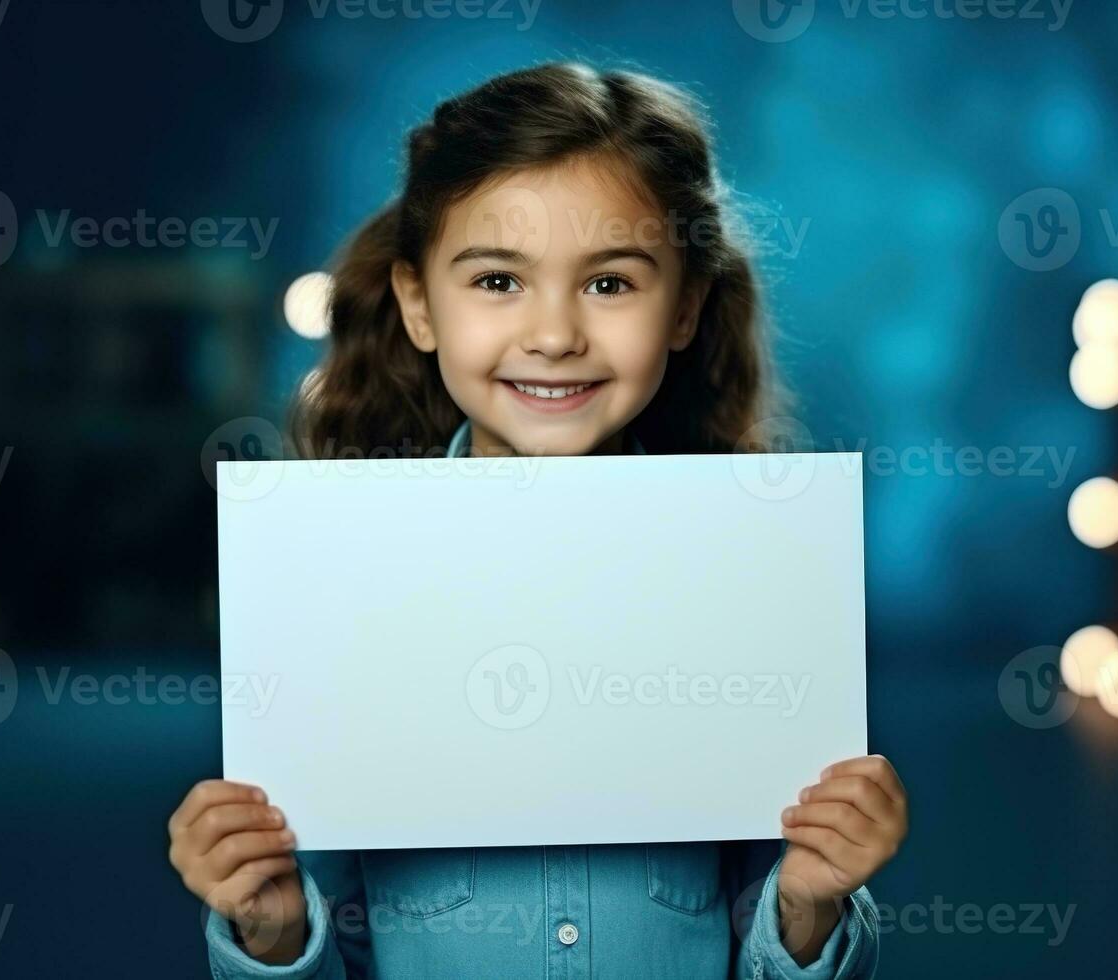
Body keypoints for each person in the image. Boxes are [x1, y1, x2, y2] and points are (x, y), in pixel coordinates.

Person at [168, 61, 908, 979]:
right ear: (417, 303)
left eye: (609, 285)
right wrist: (275, 933)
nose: (554, 334)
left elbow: (772, 913)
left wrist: (810, 904)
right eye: (496, 282)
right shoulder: (342, 586)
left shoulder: (745, 582)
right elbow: (322, 930)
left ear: (684, 308)